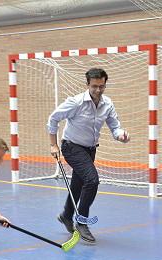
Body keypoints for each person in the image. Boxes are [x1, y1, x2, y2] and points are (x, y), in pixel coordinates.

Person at [47, 68, 130, 244]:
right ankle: (81, 221)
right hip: (71, 147)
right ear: (87, 85)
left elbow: (115, 127)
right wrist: (53, 145)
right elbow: (53, 119)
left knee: (78, 185)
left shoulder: (107, 104)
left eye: (101, 86)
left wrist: (121, 135)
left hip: (90, 149)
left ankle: (66, 215)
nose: (98, 90)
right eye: (94, 86)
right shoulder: (75, 102)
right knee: (92, 180)